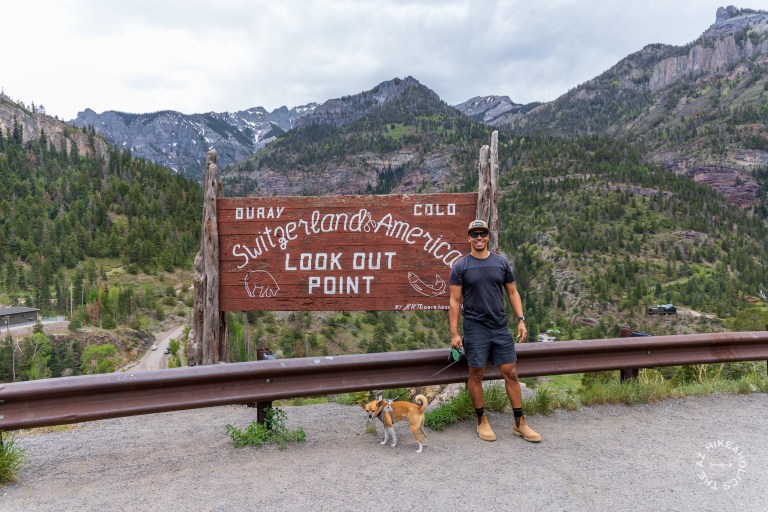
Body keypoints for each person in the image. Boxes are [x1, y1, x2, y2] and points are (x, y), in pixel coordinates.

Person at [449, 219, 541, 443]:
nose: (478, 237)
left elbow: (512, 292)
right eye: (474, 234)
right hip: (475, 328)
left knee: (510, 372)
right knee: (476, 374)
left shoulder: (501, 263)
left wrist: (521, 319)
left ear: (488, 236)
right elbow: (454, 300)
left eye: (482, 233)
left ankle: (520, 423)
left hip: (500, 326)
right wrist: (454, 333)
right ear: (468, 237)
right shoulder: (461, 266)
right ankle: (482, 420)